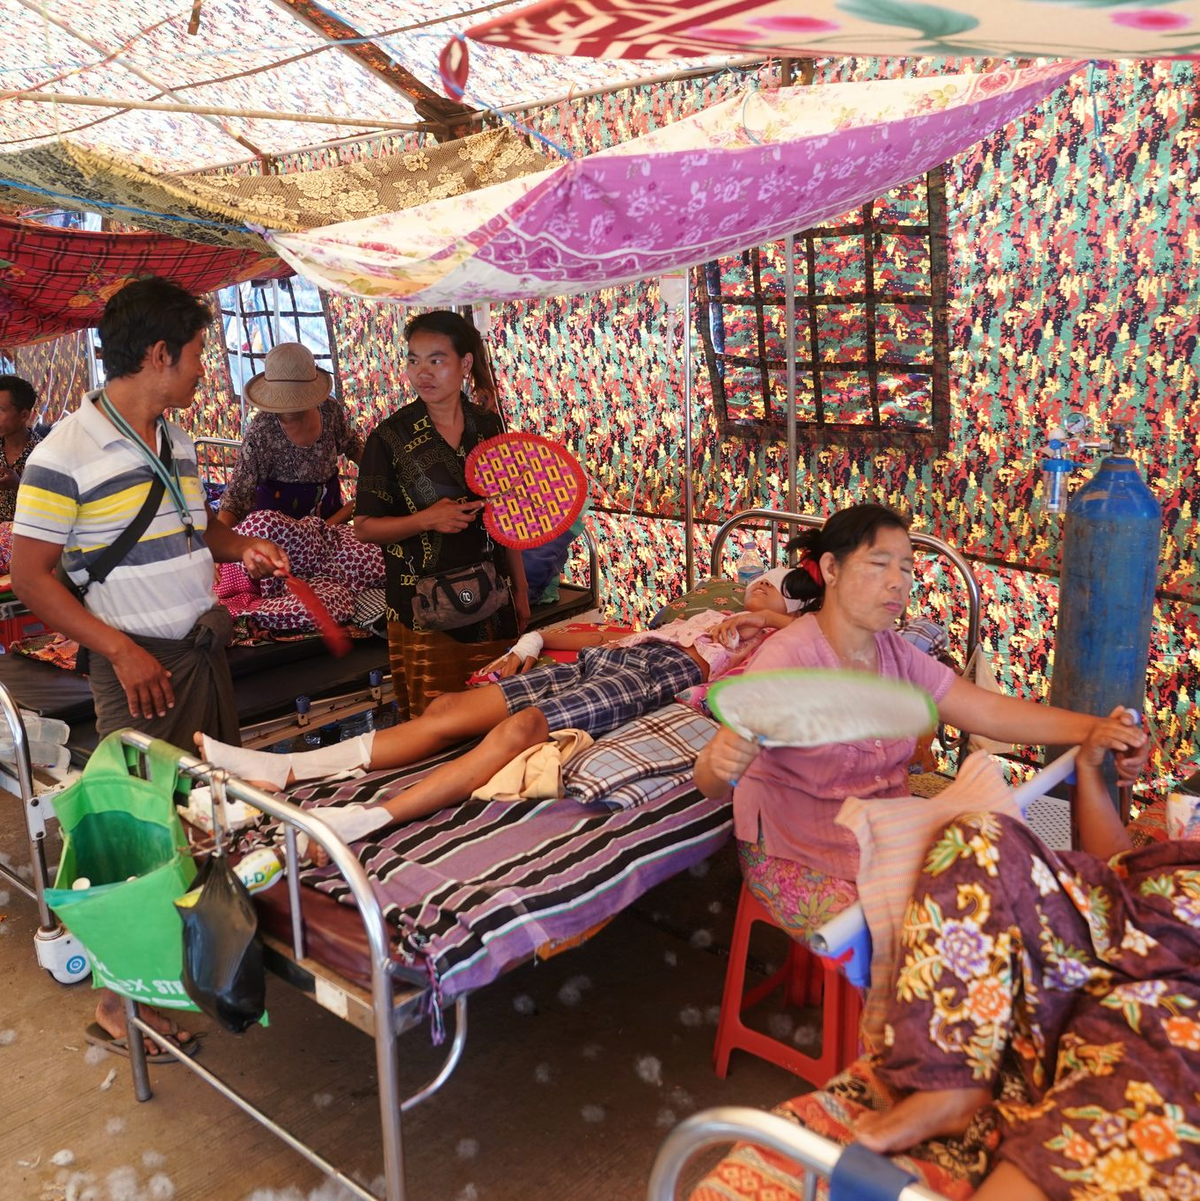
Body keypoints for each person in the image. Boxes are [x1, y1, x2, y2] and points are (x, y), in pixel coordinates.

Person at [9, 277, 290, 1060]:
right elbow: (33, 578)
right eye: (199, 352)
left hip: (199, 653)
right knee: (143, 837)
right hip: (138, 667)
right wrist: (119, 648)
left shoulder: (177, 440)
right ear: (160, 354)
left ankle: (185, 968)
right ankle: (117, 1003)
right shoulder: (64, 452)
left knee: (202, 821)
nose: (206, 368)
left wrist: (242, 548)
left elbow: (196, 532)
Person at [693, 502, 1149, 939]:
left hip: (888, 837)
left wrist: (1093, 731)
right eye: (879, 564)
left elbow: (988, 711)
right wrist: (720, 762)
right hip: (798, 853)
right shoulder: (786, 660)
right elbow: (711, 782)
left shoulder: (893, 654)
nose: (898, 583)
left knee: (1003, 899)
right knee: (935, 938)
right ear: (831, 570)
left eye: (907, 569)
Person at [196, 571, 808, 863]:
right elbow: (608, 631)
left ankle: (360, 819)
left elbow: (813, 644)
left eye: (778, 588)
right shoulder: (703, 614)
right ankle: (287, 771)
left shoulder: (783, 644)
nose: (760, 588)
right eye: (758, 581)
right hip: (616, 656)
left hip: (659, 677)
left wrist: (769, 625)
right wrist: (530, 644)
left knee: (521, 731)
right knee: (447, 709)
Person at [844, 713, 1197, 1201]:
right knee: (979, 840)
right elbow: (1116, 866)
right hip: (1114, 922)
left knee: (1161, 1048)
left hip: (1180, 985)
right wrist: (1092, 771)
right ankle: (950, 1085)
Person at [353, 310, 528, 718]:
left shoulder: (490, 428)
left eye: (436, 360)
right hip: (423, 612)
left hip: (492, 603)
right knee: (433, 726)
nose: (421, 373)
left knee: (495, 716)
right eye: (413, 360)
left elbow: (508, 517)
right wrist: (426, 520)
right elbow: (364, 527)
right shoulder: (389, 438)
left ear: (465, 364)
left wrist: (519, 591)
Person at [215, 341, 366, 528]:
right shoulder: (262, 431)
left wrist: (380, 476)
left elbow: (352, 445)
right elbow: (237, 496)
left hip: (329, 522)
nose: (290, 408)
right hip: (279, 534)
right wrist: (221, 544)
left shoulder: (329, 410)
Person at [0, 373, 41, 522]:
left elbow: (54, 503)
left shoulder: (43, 453)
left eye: (1, 410)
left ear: (24, 415)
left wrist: (19, 485)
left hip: (28, 538)